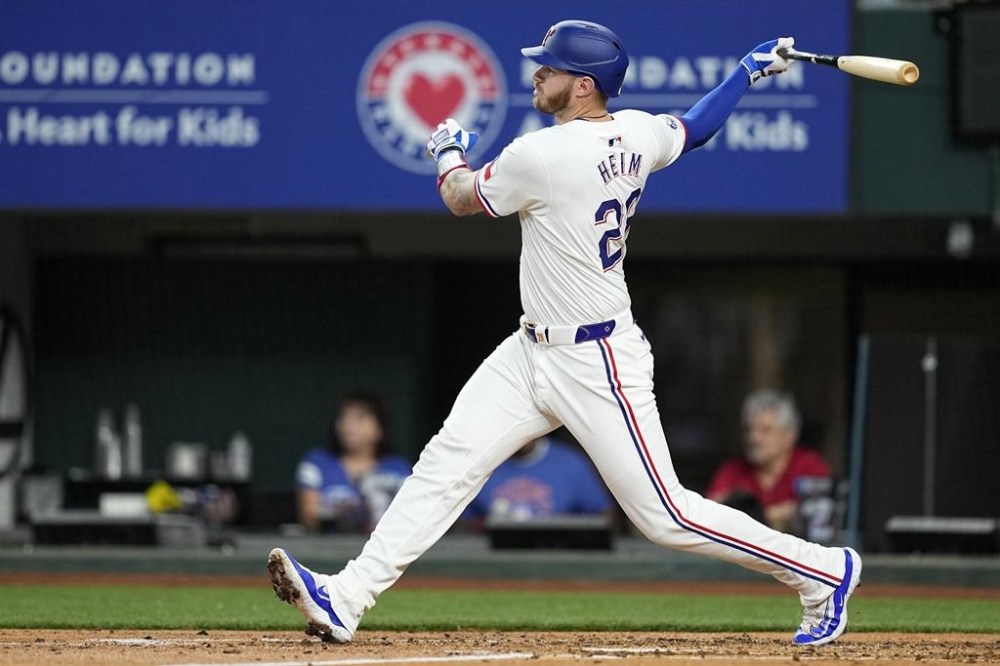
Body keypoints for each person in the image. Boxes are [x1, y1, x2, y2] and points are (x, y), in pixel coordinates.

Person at [268, 20, 861, 648]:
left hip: (598, 359)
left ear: (583, 86)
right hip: (529, 351)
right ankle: (347, 597)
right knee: (445, 466)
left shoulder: (543, 154)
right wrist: (744, 72)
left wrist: (446, 148)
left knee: (666, 516)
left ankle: (824, 571)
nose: (536, 75)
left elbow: (461, 198)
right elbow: (696, 127)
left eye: (548, 69)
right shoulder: (634, 129)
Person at [707, 390, 833, 534]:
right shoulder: (732, 470)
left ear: (789, 435)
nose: (754, 438)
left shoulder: (810, 467)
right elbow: (711, 516)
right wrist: (779, 515)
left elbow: (818, 518)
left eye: (765, 430)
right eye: (749, 430)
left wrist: (747, 517)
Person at [295, 393, 411, 533]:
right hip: (330, 547)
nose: (348, 425)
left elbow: (411, 517)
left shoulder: (398, 468)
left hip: (384, 548)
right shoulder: (317, 462)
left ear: (380, 429)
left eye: (360, 418)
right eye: (343, 418)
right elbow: (309, 516)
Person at [462, 435, 613, 527]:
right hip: (493, 564)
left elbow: (605, 517)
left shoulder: (571, 463)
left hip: (556, 559)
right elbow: (458, 523)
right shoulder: (479, 462)